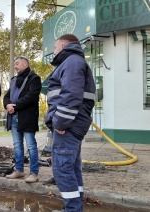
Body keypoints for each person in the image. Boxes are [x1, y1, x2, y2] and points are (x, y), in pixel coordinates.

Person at [45, 34, 96, 211]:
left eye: (54, 47)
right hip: (72, 126)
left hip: (67, 128)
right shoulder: (73, 62)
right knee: (72, 170)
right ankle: (75, 208)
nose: (53, 51)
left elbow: (70, 96)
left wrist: (59, 123)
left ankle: (73, 209)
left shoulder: (72, 62)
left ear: (63, 45)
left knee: (62, 171)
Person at [3, 56, 42, 183]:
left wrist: (16, 106)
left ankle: (34, 173)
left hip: (27, 117)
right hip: (14, 116)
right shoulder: (14, 80)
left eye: (17, 64)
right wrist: (7, 104)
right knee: (17, 145)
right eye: (15, 64)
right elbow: (7, 96)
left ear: (25, 64)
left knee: (31, 145)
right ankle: (19, 170)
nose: (15, 66)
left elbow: (31, 96)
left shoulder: (34, 78)